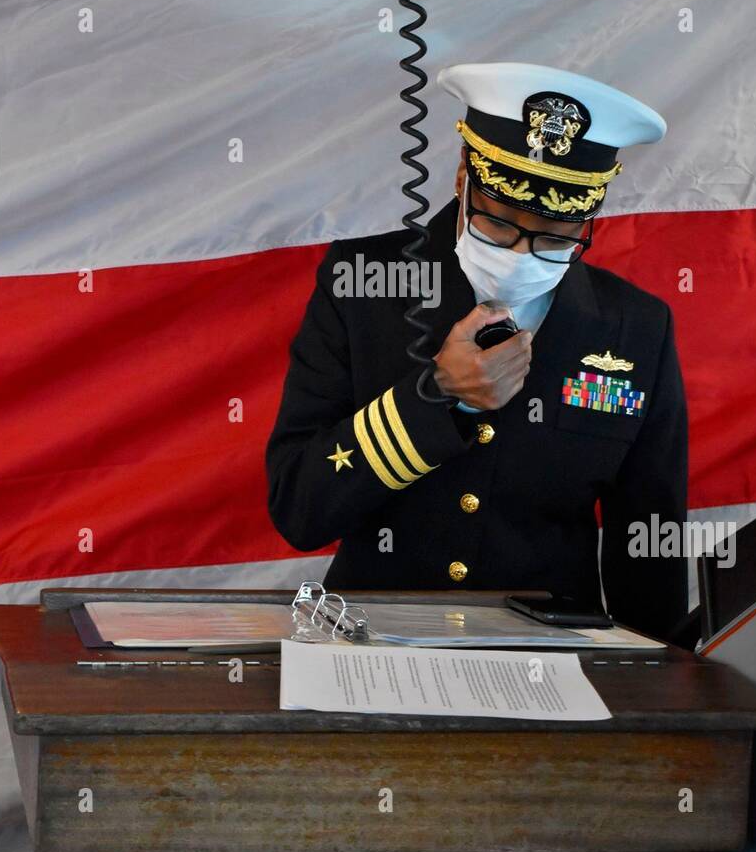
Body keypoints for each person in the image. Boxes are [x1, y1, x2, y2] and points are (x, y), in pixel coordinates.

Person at [266, 63, 688, 642]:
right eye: (498, 223)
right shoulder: (363, 283)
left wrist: (657, 695)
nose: (520, 252)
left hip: (552, 660)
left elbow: (647, 543)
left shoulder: (634, 328)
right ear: (464, 176)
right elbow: (299, 506)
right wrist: (437, 397)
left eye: (554, 235)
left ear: (590, 216)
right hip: (374, 643)